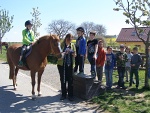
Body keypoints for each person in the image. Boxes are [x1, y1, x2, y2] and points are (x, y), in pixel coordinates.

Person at [57, 33, 76, 101]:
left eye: (71, 39)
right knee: (63, 79)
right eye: (69, 39)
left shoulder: (72, 45)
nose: (70, 41)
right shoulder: (61, 45)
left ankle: (70, 95)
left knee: (70, 80)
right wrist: (65, 53)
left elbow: (75, 54)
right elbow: (58, 54)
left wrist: (73, 54)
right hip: (62, 65)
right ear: (66, 38)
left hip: (70, 65)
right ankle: (63, 94)